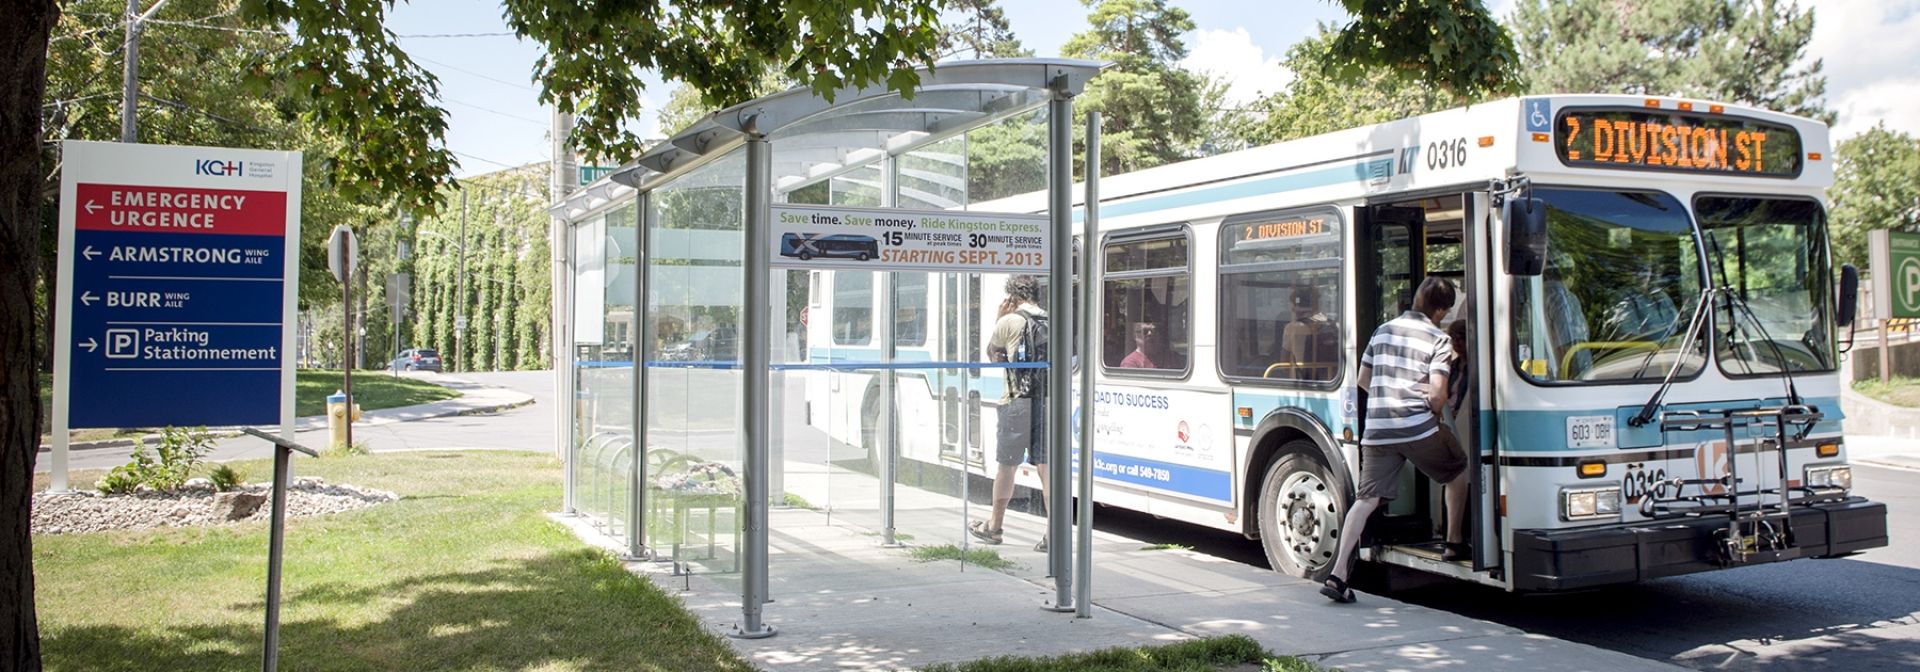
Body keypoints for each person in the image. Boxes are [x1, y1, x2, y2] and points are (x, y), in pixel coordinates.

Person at [1322, 276, 1467, 604]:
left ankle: (1338, 574)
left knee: (1366, 499)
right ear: (1441, 310)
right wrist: (1424, 400)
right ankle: (1453, 543)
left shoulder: (1383, 330)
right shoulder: (1438, 339)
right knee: (1457, 471)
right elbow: (1438, 396)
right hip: (1416, 426)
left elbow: (1363, 379)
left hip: (1378, 428)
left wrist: (1392, 392)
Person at [970, 275, 1051, 552]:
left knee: (1007, 466)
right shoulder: (1051, 319)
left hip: (1016, 402)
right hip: (1047, 403)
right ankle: (1053, 533)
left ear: (1013, 296)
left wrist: (998, 319)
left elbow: (993, 355)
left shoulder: (1010, 321)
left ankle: (994, 527)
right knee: (1046, 468)